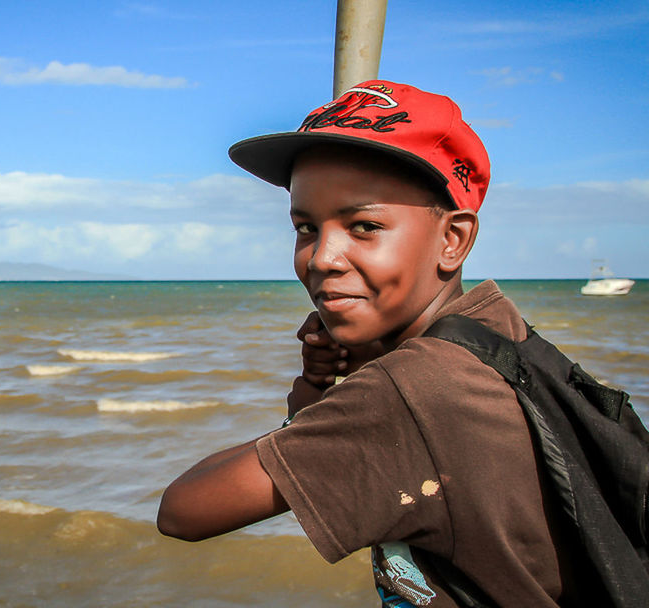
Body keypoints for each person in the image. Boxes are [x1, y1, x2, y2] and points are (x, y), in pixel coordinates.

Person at [157, 81, 582, 606]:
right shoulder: (494, 330)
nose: (321, 258)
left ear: (453, 239)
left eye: (363, 226)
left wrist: (318, 392)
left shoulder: (412, 391)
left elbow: (183, 512)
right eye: (306, 227)